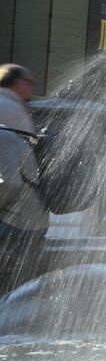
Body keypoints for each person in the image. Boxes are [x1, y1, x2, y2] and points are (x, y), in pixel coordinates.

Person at [0, 64, 48, 290]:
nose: (31, 88)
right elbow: (10, 177)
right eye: (29, 82)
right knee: (19, 284)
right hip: (22, 216)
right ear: (16, 83)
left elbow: (10, 176)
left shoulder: (10, 108)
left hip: (18, 215)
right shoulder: (10, 109)